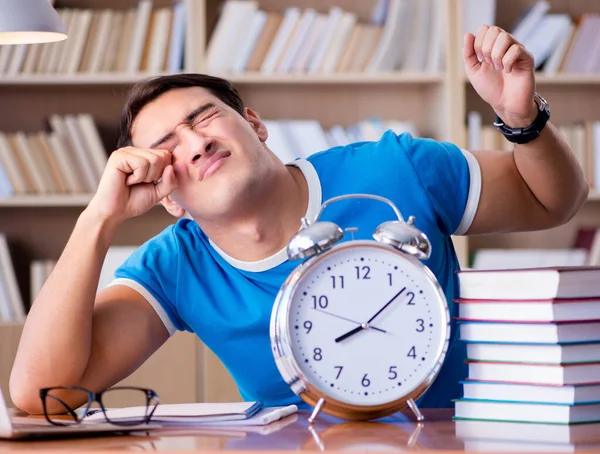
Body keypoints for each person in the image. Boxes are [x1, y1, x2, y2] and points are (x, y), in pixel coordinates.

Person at [10, 26, 588, 414]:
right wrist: (97, 218)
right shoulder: (173, 267)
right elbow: (43, 397)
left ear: (255, 124)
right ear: (168, 196)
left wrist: (522, 119)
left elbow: (551, 202)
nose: (196, 145)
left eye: (205, 118)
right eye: (166, 149)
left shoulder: (399, 166)